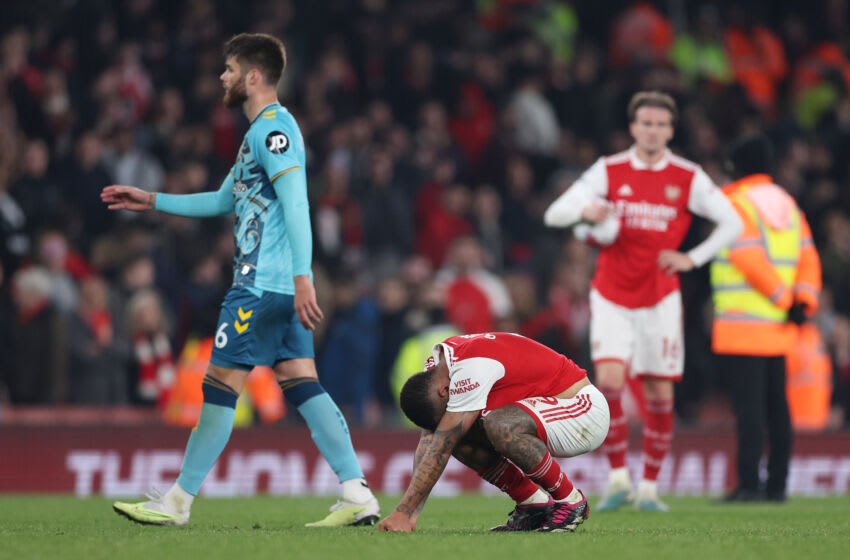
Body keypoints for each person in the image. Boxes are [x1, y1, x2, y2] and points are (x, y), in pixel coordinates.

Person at [103, 33, 379, 527]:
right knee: (301, 383)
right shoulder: (258, 135)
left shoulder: (275, 130)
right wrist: (152, 199)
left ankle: (178, 501)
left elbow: (297, 202)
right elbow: (220, 201)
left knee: (219, 386)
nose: (222, 78)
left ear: (254, 76)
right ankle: (356, 491)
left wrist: (303, 278)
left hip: (261, 287)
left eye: (229, 69)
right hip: (277, 286)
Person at [543, 91, 741, 511]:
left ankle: (649, 487)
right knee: (610, 383)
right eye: (645, 123)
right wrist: (585, 215)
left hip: (660, 298)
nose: (652, 130)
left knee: (659, 394)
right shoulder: (609, 170)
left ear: (670, 130)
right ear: (633, 127)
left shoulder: (687, 176)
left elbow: (731, 222)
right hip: (612, 294)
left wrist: (692, 258)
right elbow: (554, 214)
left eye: (660, 124)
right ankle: (618, 479)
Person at [378, 332, 610, 533]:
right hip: (546, 408)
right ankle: (532, 503)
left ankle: (571, 500)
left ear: (443, 391)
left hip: (583, 408)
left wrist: (404, 512)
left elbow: (442, 443)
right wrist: (409, 515)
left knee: (493, 426)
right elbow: (430, 441)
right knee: (459, 433)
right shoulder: (439, 369)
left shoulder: (470, 367)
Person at [710, 134, 821, 502]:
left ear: (737, 166)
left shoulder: (735, 202)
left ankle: (748, 484)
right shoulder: (788, 205)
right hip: (780, 327)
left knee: (750, 411)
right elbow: (808, 257)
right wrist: (801, 302)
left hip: (742, 327)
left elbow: (746, 256)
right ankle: (777, 486)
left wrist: (781, 298)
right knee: (778, 408)